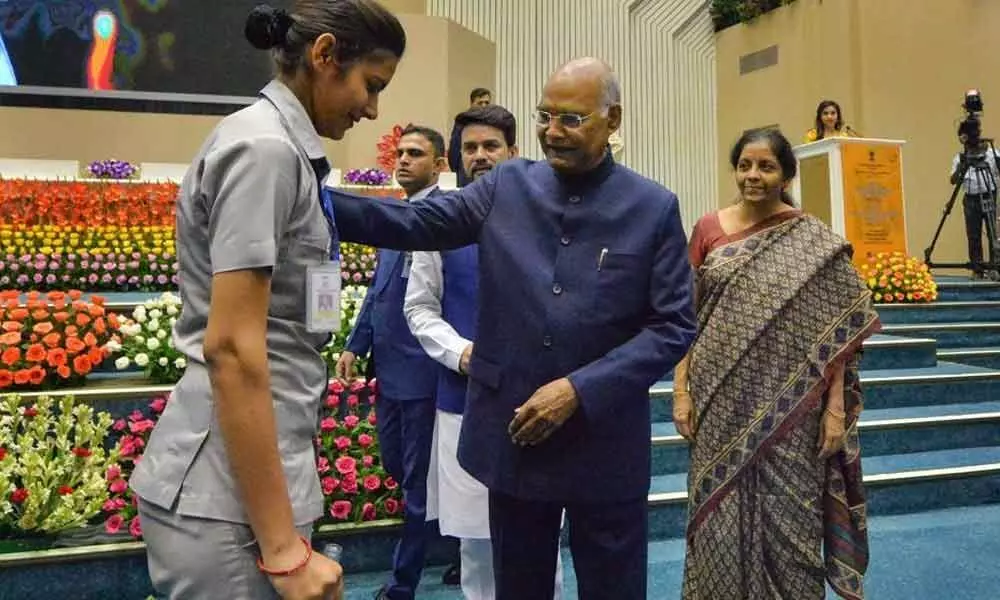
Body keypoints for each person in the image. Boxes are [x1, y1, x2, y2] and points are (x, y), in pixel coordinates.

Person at [324, 57, 697, 600]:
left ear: (612, 120)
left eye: (571, 119)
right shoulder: (506, 185)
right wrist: (311, 194)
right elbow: (416, 222)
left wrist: (578, 390)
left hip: (605, 444)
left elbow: (672, 326)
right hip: (516, 437)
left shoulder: (652, 206)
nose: (551, 132)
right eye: (544, 116)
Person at [128, 3, 405, 599]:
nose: (373, 109)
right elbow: (230, 346)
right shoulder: (265, 151)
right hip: (227, 496)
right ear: (325, 55)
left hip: (248, 480)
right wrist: (282, 552)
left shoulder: (283, 150)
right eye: (371, 85)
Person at [674, 128, 881, 600]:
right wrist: (681, 392)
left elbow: (839, 336)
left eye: (766, 167)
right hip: (717, 401)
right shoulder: (708, 229)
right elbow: (685, 316)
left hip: (794, 409)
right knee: (717, 517)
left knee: (793, 523)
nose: (753, 175)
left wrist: (834, 411)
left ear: (786, 174)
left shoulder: (812, 241)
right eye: (745, 165)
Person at [403, 104, 564, 600]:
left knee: (541, 547)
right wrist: (462, 354)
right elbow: (420, 308)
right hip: (464, 404)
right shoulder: (438, 223)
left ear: (513, 152)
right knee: (475, 549)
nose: (480, 156)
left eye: (491, 146)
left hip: (535, 404)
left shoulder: (547, 219)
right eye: (470, 148)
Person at [335, 124, 447, 600]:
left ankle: (404, 582)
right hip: (390, 372)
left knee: (418, 484)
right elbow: (378, 293)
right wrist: (354, 344)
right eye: (399, 152)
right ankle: (458, 545)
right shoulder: (397, 214)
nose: (402, 160)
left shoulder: (446, 218)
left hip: (424, 371)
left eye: (415, 154)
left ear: (440, 164)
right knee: (399, 467)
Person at [950, 121, 1000, 279]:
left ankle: (995, 267)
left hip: (989, 195)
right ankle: (977, 268)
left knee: (993, 233)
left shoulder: (992, 153)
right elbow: (953, 180)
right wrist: (962, 164)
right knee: (973, 234)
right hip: (970, 198)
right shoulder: (960, 157)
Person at [447, 87, 493, 186]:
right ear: (472, 104)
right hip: (466, 173)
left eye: (487, 103)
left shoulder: (493, 122)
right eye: (480, 103)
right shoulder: (462, 122)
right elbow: (454, 151)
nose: (484, 106)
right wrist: (459, 170)